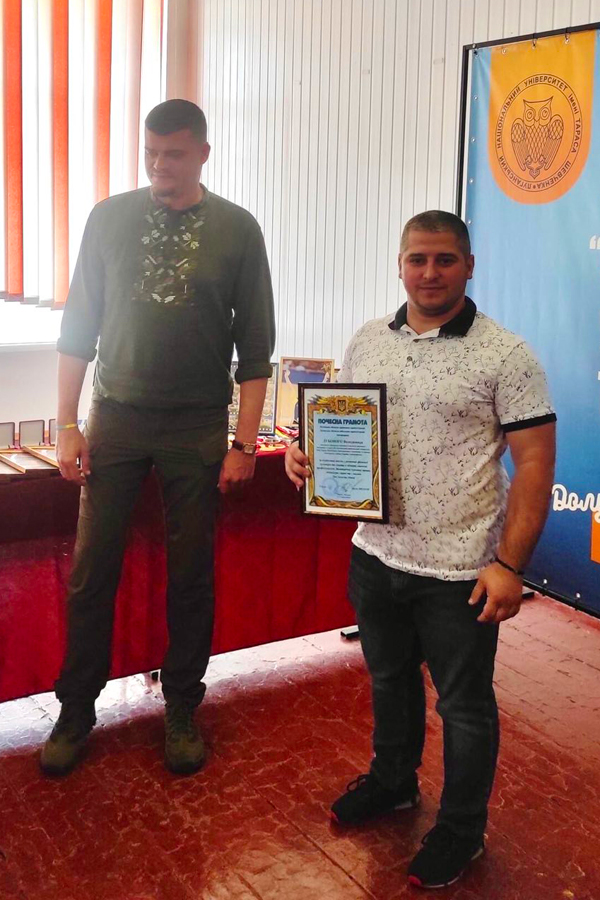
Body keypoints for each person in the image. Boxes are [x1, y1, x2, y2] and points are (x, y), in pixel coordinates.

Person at [285, 211, 555, 890]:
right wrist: (304, 455)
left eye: (444, 259)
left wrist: (510, 565)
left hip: (461, 571)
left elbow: (535, 466)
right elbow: (340, 426)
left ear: (469, 266)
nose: (429, 273)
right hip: (375, 555)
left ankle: (462, 830)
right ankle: (394, 783)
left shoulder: (506, 355)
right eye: (417, 259)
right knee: (389, 679)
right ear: (400, 265)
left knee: (463, 707)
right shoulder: (368, 340)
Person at [41, 99, 275, 777]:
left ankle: (181, 707)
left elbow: (256, 349)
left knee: (191, 573)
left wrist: (243, 443)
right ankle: (76, 708)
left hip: (196, 425)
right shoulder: (109, 218)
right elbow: (78, 329)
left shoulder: (237, 229)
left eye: (173, 154)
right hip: (116, 417)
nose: (159, 166)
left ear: (203, 153)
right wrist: (67, 425)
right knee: (92, 571)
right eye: (150, 153)